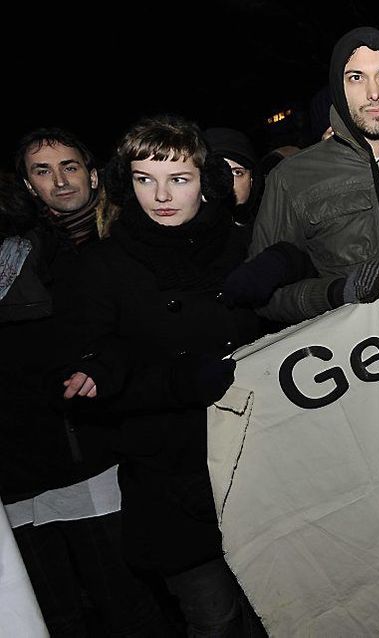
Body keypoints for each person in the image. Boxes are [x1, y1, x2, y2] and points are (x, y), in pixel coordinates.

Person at [60, 115, 266, 635]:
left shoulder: (241, 248)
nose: (160, 195)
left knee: (279, 609)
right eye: (144, 179)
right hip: (172, 483)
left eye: (178, 178)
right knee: (215, 621)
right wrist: (171, 384)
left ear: (205, 182)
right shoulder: (103, 265)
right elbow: (96, 376)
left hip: (258, 467)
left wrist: (292, 268)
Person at [1, 174, 169, 636]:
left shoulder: (49, 255)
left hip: (78, 461)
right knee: (49, 617)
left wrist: (96, 372)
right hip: (12, 483)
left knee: (124, 602)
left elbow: (110, 335)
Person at [249, 26, 379, 325]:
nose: (374, 93)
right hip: (349, 364)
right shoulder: (291, 178)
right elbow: (263, 297)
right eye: (356, 77)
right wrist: (334, 294)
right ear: (338, 89)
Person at [16, 128, 115, 244]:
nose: (60, 182)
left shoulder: (129, 228)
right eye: (44, 172)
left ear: (93, 177)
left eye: (70, 169)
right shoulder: (23, 250)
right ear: (30, 186)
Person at [204, 127, 265, 225]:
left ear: (252, 180)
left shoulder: (270, 230)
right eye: (216, 171)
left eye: (237, 172)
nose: (227, 180)